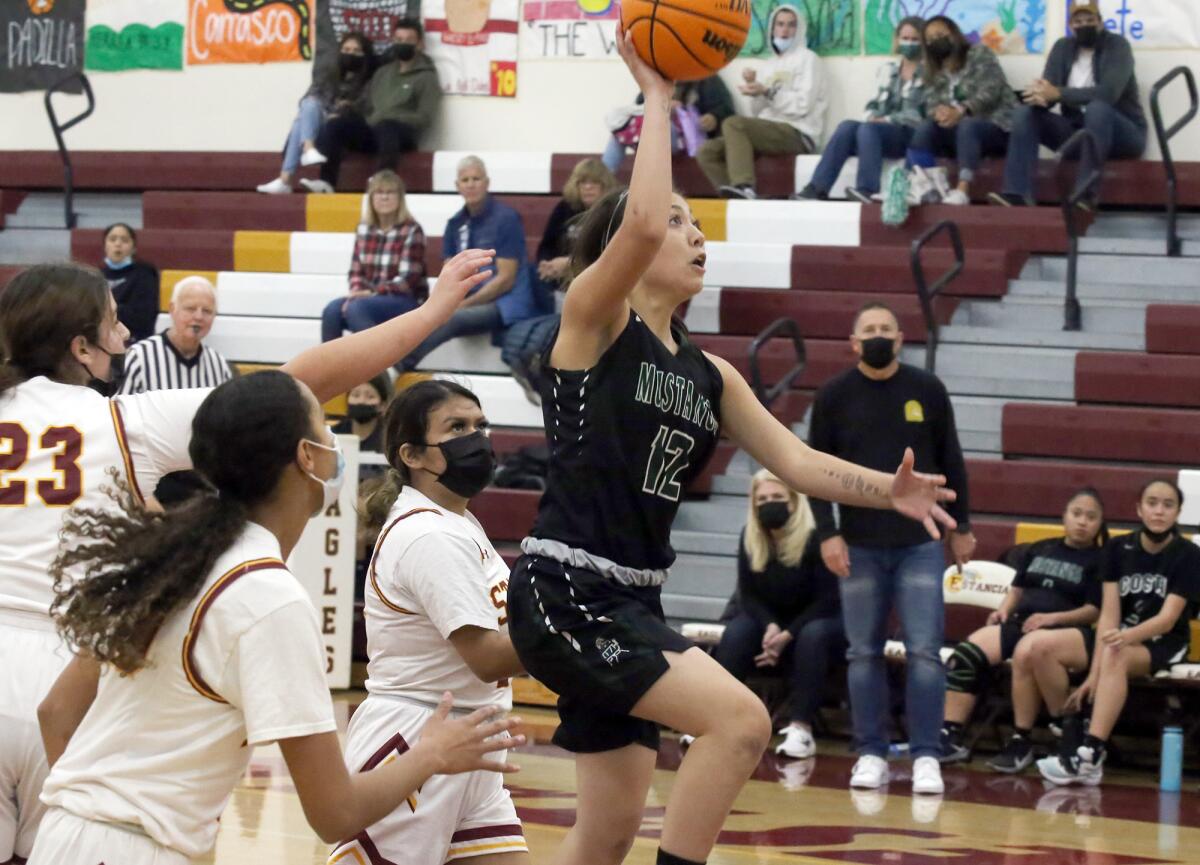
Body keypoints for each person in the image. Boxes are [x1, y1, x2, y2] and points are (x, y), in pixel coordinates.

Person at [505, 28, 956, 865]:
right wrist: (660, 97)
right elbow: (636, 224)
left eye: (698, 224)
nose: (694, 235)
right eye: (682, 222)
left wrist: (886, 492)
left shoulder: (710, 373)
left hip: (632, 598)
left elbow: (795, 461)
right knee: (743, 719)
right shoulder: (594, 323)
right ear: (625, 251)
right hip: (567, 585)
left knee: (603, 833)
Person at [0, 248, 496, 864]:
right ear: (81, 347)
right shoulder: (128, 424)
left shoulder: (173, 564)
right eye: (113, 321)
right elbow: (291, 385)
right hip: (64, 648)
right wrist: (431, 312)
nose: (126, 333)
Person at [331, 380, 528, 864]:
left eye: (480, 425)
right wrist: (573, 625)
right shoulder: (427, 535)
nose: (476, 437)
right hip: (418, 736)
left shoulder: (456, 521)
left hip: (471, 737)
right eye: (457, 427)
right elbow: (486, 657)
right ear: (413, 455)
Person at [807, 300, 974, 795]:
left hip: (919, 543)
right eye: (869, 329)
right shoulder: (834, 396)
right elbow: (815, 470)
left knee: (925, 650)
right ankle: (871, 753)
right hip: (859, 543)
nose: (879, 335)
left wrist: (961, 525)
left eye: (887, 328)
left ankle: (926, 755)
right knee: (863, 653)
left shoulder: (927, 389)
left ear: (901, 339)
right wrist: (827, 532)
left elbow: (953, 459)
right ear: (853, 343)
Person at [1035, 480, 1200, 786]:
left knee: (1117, 651)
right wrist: (1093, 675)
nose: (1159, 511)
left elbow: (1167, 619)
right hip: (1120, 645)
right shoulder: (1116, 549)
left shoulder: (1188, 554)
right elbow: (1109, 616)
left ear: (1178, 513)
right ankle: (1087, 752)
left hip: (1167, 643)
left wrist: (1125, 637)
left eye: (1167, 505)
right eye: (1152, 503)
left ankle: (1091, 753)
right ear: (1139, 508)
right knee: (1111, 652)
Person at [939, 489, 1107, 768]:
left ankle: (1025, 737)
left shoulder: (1102, 559)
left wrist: (1052, 619)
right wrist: (1004, 609)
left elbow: (1095, 610)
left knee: (1026, 651)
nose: (1082, 522)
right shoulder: (1039, 548)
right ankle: (949, 734)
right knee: (966, 654)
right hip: (1024, 623)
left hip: (1069, 631)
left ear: (1100, 523)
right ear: (1064, 517)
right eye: (1076, 514)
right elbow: (1016, 590)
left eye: (1091, 517)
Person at [710, 470, 843, 761]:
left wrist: (787, 634)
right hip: (771, 619)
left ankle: (801, 728)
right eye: (763, 499)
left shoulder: (816, 535)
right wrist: (771, 627)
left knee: (813, 636)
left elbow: (827, 600)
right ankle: (713, 721)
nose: (770, 504)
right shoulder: (751, 535)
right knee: (737, 632)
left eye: (778, 497)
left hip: (819, 618)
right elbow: (749, 595)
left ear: (794, 502)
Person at [991, 0, 1146, 209]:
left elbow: (1108, 94)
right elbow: (1051, 91)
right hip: (1076, 133)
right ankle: (1017, 193)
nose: (1084, 25)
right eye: (1078, 21)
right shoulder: (1062, 48)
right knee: (1025, 113)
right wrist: (1040, 96)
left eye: (1090, 20)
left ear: (1100, 22)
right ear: (1071, 25)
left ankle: (1085, 195)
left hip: (1123, 134)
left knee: (1097, 108)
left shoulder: (1117, 46)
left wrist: (1058, 93)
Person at [398, 156, 543, 372]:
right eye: (465, 180)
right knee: (422, 314)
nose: (471, 184)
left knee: (450, 319)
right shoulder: (454, 224)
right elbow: (450, 274)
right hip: (471, 300)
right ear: (458, 186)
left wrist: (463, 304)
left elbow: (505, 280)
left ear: (487, 183)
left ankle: (399, 366)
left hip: (506, 303)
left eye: (476, 178)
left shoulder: (506, 219)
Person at [501, 157, 619, 400]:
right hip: (560, 285)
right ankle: (530, 365)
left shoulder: (612, 213)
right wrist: (548, 265)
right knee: (530, 284)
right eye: (582, 182)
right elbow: (545, 246)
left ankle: (553, 375)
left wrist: (568, 264)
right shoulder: (565, 208)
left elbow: (612, 257)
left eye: (593, 182)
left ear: (604, 185)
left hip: (596, 288)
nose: (587, 187)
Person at [696, 4, 828, 200]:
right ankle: (736, 197)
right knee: (707, 151)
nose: (785, 30)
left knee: (733, 123)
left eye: (791, 25)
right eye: (780, 24)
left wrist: (767, 91)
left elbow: (803, 105)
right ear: (772, 28)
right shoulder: (769, 65)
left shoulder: (809, 60)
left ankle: (744, 186)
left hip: (797, 132)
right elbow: (759, 112)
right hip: (769, 130)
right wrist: (755, 90)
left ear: (799, 29)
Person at [795, 17, 925, 203]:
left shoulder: (929, 73)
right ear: (897, 39)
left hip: (909, 134)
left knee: (869, 129)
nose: (909, 43)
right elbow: (874, 103)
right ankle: (817, 188)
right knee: (847, 126)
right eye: (905, 38)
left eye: (914, 39)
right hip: (880, 132)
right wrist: (872, 115)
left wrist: (886, 120)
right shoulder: (889, 70)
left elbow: (919, 115)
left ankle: (867, 189)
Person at [308, 18, 441, 194]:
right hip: (374, 130)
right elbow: (366, 106)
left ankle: (382, 184)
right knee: (336, 125)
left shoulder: (427, 77)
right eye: (399, 40)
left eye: (409, 40)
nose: (403, 44)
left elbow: (425, 117)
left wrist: (391, 117)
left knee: (387, 127)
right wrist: (347, 110)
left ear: (419, 44)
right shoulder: (383, 73)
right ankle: (326, 182)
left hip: (401, 135)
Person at [904, 16, 1017, 206]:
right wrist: (940, 113)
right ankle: (918, 187)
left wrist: (960, 110)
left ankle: (962, 190)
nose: (935, 41)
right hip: (956, 130)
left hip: (994, 127)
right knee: (925, 128)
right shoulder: (931, 68)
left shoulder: (979, 54)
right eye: (930, 39)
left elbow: (991, 90)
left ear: (953, 33)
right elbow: (930, 102)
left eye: (940, 34)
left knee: (967, 125)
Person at [256, 32, 375, 195]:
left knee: (301, 120)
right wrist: (325, 109)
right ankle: (308, 149)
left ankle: (286, 178)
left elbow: (364, 107)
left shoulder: (370, 79)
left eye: (356, 51)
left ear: (365, 55)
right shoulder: (329, 75)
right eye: (346, 49)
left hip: (351, 130)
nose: (350, 54)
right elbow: (308, 99)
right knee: (309, 105)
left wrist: (340, 110)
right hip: (323, 122)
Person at [322, 170, 429, 343]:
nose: (384, 198)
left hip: (404, 300)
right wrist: (357, 291)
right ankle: (329, 368)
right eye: (379, 192)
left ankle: (379, 365)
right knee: (332, 310)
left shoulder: (412, 229)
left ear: (400, 198)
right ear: (371, 198)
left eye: (390, 193)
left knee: (356, 308)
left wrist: (372, 293)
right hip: (368, 298)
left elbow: (408, 280)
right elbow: (356, 271)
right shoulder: (363, 228)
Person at [119, 275, 233, 395]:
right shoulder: (138, 358)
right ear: (172, 309)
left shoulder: (219, 365)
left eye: (207, 311)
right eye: (191, 308)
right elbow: (120, 410)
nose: (199, 317)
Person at [602, 76, 736, 173]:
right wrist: (661, 106)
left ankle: (651, 188)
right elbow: (639, 108)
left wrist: (713, 117)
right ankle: (603, 177)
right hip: (652, 136)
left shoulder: (707, 79)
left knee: (661, 127)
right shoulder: (657, 79)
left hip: (689, 140)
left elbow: (727, 109)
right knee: (620, 134)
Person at [99, 223, 159, 345]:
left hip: (134, 342)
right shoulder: (96, 275)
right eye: (112, 239)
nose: (118, 244)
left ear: (134, 248)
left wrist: (105, 311)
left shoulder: (145, 274)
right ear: (105, 245)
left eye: (124, 240)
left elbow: (143, 316)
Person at [333, 372, 392, 454]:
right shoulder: (334, 433)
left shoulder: (389, 438)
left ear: (382, 405)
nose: (361, 401)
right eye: (356, 395)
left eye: (370, 397)